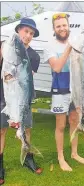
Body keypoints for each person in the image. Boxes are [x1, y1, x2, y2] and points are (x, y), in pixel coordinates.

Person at [43, 13, 84, 172]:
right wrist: (69, 48)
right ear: (54, 29)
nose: (62, 28)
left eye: (64, 25)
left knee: (75, 121)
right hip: (60, 90)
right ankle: (61, 157)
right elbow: (56, 67)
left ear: (68, 26)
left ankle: (75, 153)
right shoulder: (50, 46)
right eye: (58, 26)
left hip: (76, 89)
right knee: (61, 125)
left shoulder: (77, 42)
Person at [0, 18, 43, 185]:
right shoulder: (6, 47)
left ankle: (27, 156)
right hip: (3, 96)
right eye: (26, 31)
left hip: (23, 98)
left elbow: (26, 81)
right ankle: (0, 165)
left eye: (31, 33)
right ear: (18, 31)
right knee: (1, 131)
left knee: (27, 130)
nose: (28, 35)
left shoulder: (34, 56)